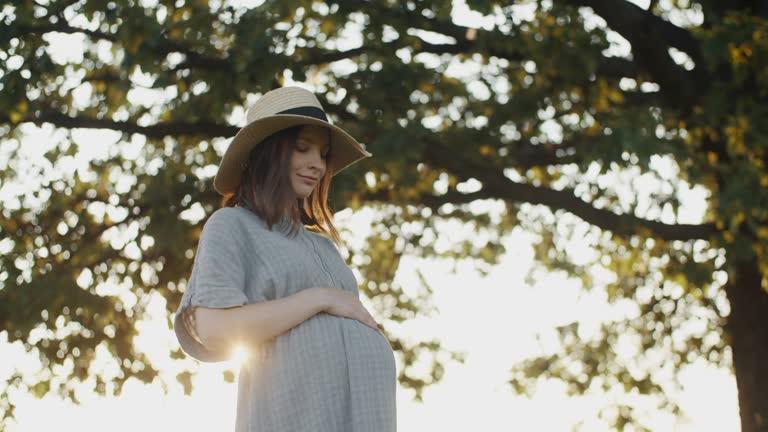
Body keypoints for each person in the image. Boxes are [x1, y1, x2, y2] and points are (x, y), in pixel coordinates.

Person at [173, 86, 397, 431]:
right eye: (302, 148)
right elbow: (216, 330)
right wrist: (319, 298)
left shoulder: (324, 247)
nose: (317, 165)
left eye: (323, 154)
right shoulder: (232, 225)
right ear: (267, 153)